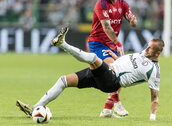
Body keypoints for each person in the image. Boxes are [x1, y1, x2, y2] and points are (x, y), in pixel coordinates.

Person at [16, 27, 164, 121]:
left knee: (93, 58)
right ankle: (34, 108)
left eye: (150, 48)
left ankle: (62, 44)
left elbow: (154, 96)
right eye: (148, 45)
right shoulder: (143, 54)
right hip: (105, 73)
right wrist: (115, 57)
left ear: (157, 53)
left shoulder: (153, 70)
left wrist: (152, 117)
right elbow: (129, 67)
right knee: (63, 81)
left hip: (111, 81)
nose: (146, 48)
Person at [88, 0, 137, 117]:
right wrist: (118, 43)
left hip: (112, 44)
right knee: (113, 70)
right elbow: (106, 27)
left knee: (121, 74)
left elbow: (133, 22)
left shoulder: (123, 5)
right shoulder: (101, 4)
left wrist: (133, 21)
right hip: (98, 43)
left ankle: (107, 109)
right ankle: (117, 103)